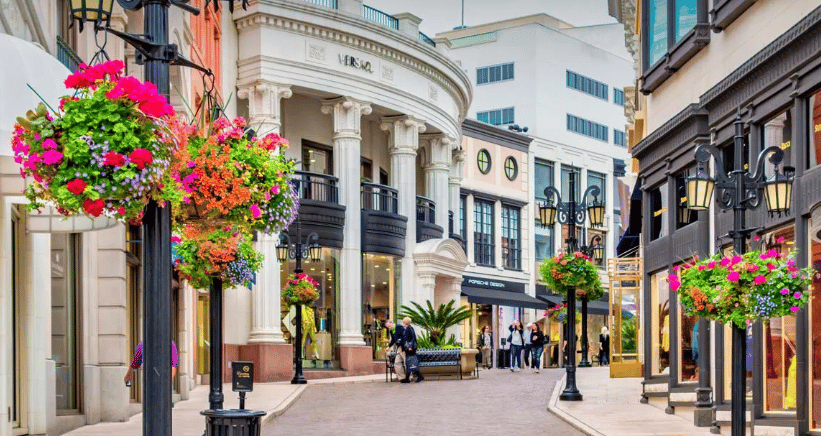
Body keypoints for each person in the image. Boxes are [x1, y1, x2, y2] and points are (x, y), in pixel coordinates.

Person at [401, 317, 424, 383]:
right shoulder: (409, 328)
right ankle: (408, 378)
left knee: (411, 362)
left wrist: (409, 347)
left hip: (410, 349)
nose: (403, 323)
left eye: (403, 322)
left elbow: (411, 339)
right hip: (410, 348)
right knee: (410, 363)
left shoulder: (409, 329)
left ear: (406, 323)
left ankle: (419, 376)